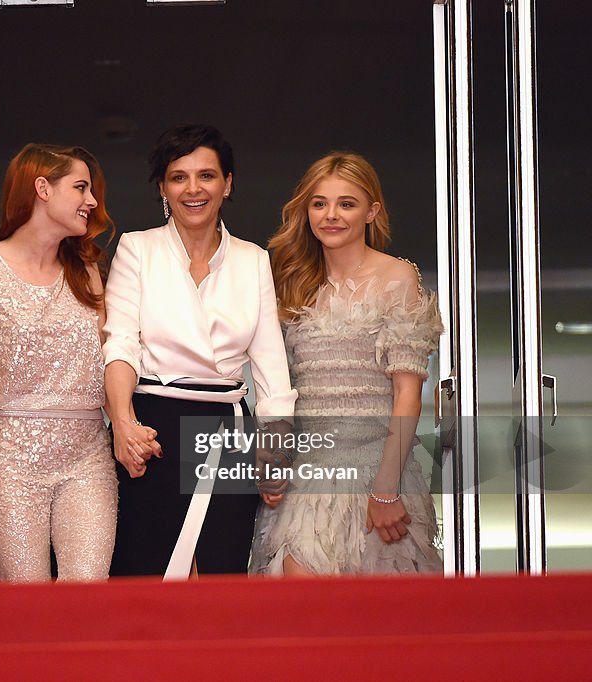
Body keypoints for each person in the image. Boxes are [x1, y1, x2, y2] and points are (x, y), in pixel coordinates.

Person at [103, 124, 297, 579]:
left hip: (229, 431)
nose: (193, 189)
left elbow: (271, 369)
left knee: (218, 573)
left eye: (206, 176)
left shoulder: (253, 260)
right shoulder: (138, 248)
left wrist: (275, 449)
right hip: (153, 431)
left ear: (227, 184)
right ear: (163, 188)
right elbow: (121, 344)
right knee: (147, 577)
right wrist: (124, 424)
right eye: (178, 177)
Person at [249, 151, 443, 575]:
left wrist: (387, 489)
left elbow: (408, 393)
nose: (330, 215)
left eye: (346, 203)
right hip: (307, 473)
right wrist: (272, 456)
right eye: (319, 203)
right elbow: (274, 384)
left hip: (378, 474)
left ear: (371, 211)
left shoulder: (397, 278)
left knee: (374, 627)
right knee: (298, 608)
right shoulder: (290, 281)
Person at [0, 144, 119, 582]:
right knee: (28, 607)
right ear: (42, 188)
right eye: (80, 187)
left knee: (88, 593)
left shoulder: (87, 272)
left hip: (87, 458)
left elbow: (109, 360)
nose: (92, 202)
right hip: (9, 461)